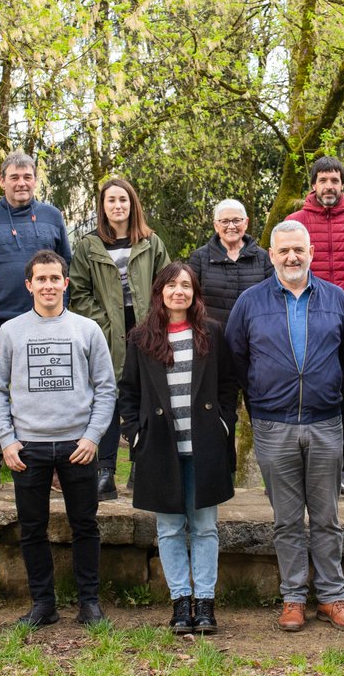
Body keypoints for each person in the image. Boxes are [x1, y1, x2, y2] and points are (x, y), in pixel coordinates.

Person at [225, 220, 344, 633]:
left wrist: (336, 397)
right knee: (286, 520)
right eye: (283, 251)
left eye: (298, 249)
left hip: (324, 423)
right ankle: (293, 599)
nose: (292, 257)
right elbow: (237, 357)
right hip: (273, 424)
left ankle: (332, 598)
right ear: (272, 255)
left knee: (326, 517)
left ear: (311, 252)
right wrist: (260, 399)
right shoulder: (250, 302)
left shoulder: (336, 299)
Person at [0, 251, 116, 629]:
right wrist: (7, 441)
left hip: (78, 445)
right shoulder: (11, 331)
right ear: (29, 285)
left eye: (54, 278)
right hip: (28, 448)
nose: (48, 285)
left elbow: (106, 389)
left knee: (85, 525)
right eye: (40, 279)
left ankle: (89, 603)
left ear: (65, 283)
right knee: (32, 528)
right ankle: (44, 604)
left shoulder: (87, 330)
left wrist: (93, 437)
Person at [118, 263, 239, 635]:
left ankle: (204, 604)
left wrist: (223, 424)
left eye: (185, 285)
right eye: (171, 286)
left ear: (194, 293)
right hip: (160, 447)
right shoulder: (141, 338)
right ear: (160, 292)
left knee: (204, 527)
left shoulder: (213, 333)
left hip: (204, 445)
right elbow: (129, 392)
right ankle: (179, 603)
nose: (178, 292)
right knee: (169, 529)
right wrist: (135, 434)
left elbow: (227, 386)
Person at [0, 152, 72, 493]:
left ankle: (52, 464)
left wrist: (62, 316)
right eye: (14, 177)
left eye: (27, 176)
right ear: (2, 181)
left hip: (46, 322)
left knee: (47, 390)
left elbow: (66, 269)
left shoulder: (52, 216)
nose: (21, 182)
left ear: (35, 179)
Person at [70, 177, 170, 499]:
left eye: (123, 200)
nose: (117, 206)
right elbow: (79, 292)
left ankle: (142, 466)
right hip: (106, 332)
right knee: (109, 396)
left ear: (132, 204)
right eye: (111, 200)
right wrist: (103, 323)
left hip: (146, 329)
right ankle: (105, 471)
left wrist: (154, 321)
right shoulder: (89, 246)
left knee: (146, 395)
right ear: (102, 206)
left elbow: (165, 283)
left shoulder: (151, 242)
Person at [286, 156, 344, 500]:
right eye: (323, 179)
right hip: (306, 323)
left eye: (335, 180)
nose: (329, 186)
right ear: (313, 184)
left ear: (343, 185)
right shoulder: (294, 222)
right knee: (303, 395)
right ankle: (301, 472)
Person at [187, 199, 273, 325]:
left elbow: (272, 298)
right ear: (216, 226)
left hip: (253, 335)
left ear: (246, 223)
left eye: (236, 220)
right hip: (212, 337)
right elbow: (190, 300)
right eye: (225, 221)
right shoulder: (199, 258)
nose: (231, 226)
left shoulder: (263, 257)